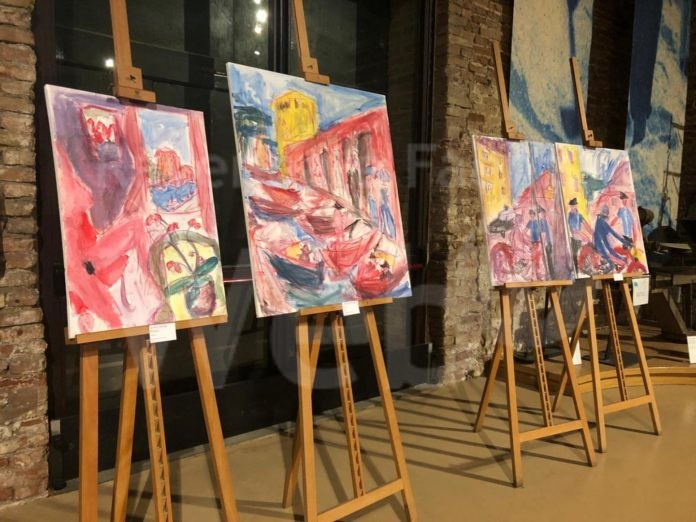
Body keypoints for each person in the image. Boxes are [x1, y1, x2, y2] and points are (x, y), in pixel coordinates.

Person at [593, 204, 631, 269]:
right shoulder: (601, 223)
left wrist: (625, 242)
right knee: (611, 262)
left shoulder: (600, 221)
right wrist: (621, 258)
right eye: (606, 217)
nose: (607, 219)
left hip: (601, 246)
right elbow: (612, 235)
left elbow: (613, 234)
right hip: (600, 248)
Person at [567, 197, 593, 267]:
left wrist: (592, 232)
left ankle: (586, 264)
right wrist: (574, 233)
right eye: (572, 206)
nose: (573, 207)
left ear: (576, 206)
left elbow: (586, 224)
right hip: (573, 236)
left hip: (579, 235)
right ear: (570, 206)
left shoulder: (579, 215)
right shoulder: (569, 216)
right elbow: (571, 227)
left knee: (586, 245)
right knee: (576, 251)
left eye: (574, 205)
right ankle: (579, 265)